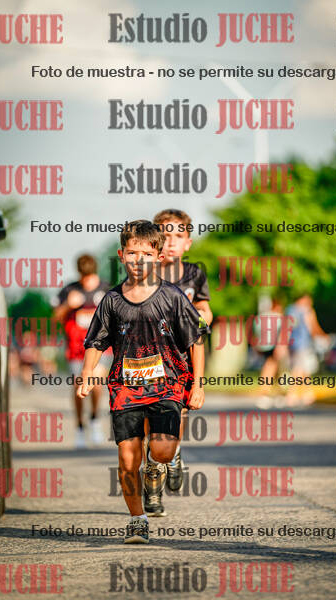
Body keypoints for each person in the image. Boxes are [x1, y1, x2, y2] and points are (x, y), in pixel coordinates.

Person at [77, 220, 208, 543]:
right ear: (121, 255)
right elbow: (96, 341)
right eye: (132, 253)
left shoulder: (173, 297)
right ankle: (137, 519)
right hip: (125, 388)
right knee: (126, 460)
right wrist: (87, 373)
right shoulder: (111, 300)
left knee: (162, 451)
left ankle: (155, 465)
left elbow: (196, 341)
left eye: (147, 254)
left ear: (159, 257)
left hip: (168, 385)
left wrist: (198, 385)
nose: (139, 260)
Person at [141, 209, 212, 517]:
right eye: (164, 235)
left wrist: (202, 317)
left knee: (175, 415)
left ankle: (174, 451)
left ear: (188, 243)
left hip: (181, 358)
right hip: (148, 357)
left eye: (178, 236)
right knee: (149, 423)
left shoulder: (194, 274)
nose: (171, 242)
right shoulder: (144, 272)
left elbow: (205, 308)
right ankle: (153, 483)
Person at [53, 254, 110, 448]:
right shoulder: (69, 290)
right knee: (79, 386)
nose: (87, 282)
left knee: (96, 381)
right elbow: (56, 317)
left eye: (90, 277)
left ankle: (94, 418)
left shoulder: (106, 289)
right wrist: (68, 305)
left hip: (101, 346)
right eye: (84, 278)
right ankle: (79, 426)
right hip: (76, 348)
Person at [285, 293, 328, 405]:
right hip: (303, 344)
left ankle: (307, 394)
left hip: (292, 344)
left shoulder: (290, 310)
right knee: (298, 370)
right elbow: (313, 327)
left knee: (303, 370)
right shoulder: (307, 311)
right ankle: (293, 394)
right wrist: (323, 336)